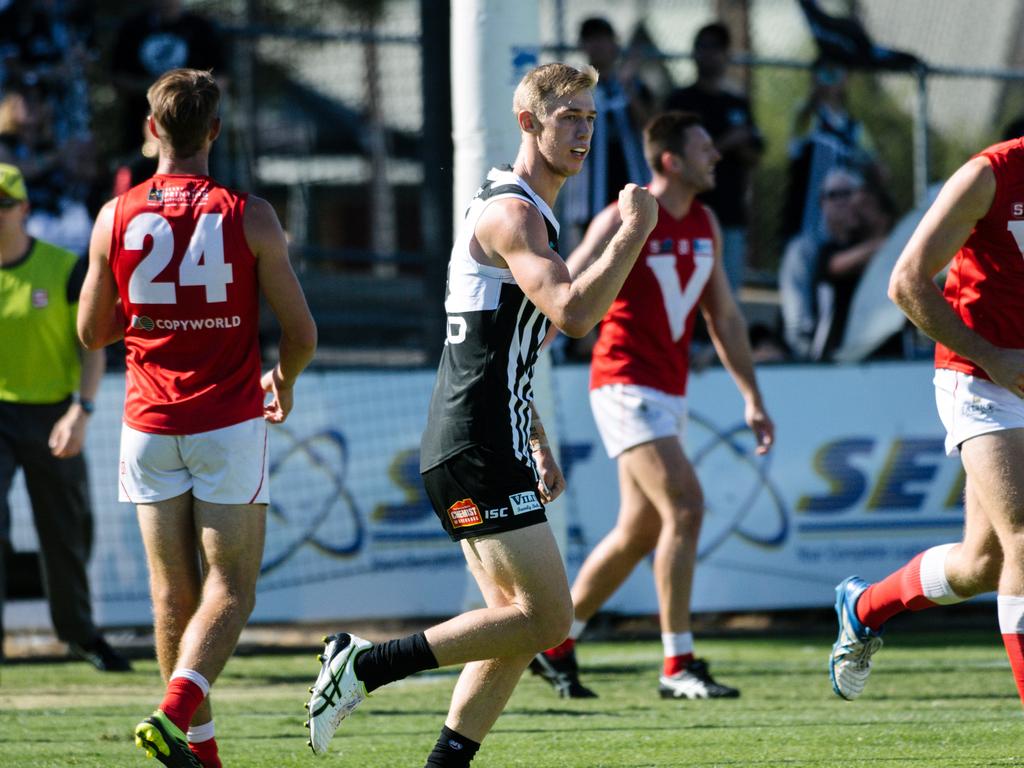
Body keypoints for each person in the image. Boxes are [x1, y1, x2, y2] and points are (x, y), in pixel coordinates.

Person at [304, 62, 658, 765]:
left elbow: (501, 347)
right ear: (529, 123)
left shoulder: (528, 212)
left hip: (486, 436)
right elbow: (575, 314)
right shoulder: (515, 213)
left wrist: (536, 436)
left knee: (513, 628)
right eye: (568, 118)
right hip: (473, 442)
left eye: (590, 117)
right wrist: (632, 233)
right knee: (548, 619)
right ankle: (362, 666)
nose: (584, 131)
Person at [77, 68, 316, 768]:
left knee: (170, 591)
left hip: (148, 425)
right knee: (232, 589)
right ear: (214, 131)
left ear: (152, 130)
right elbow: (301, 334)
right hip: (227, 422)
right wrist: (286, 380)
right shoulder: (250, 214)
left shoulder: (113, 216)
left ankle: (200, 752)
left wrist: (151, 312)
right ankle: (176, 713)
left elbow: (92, 333)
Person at [530, 111, 774, 700]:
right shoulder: (625, 216)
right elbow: (566, 286)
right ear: (670, 160)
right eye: (704, 147)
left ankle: (555, 645)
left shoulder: (707, 222)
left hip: (667, 391)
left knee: (638, 531)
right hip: (622, 383)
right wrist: (520, 365)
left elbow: (725, 317)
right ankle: (677, 664)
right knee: (686, 507)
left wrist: (751, 396)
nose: (715, 156)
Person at [829, 136, 1024, 706]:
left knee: (982, 563)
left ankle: (864, 608)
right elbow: (905, 282)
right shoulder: (988, 175)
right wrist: (989, 354)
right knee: (1023, 541)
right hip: (979, 377)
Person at [0, 161, 130, 672]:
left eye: (4, 205)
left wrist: (82, 408)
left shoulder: (63, 266)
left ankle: (79, 635)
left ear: (25, 209)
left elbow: (94, 344)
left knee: (67, 529)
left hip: (56, 412)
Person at [665, 22, 764, 292]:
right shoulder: (680, 100)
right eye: (703, 47)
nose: (708, 54)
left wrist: (739, 147)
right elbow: (669, 155)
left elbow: (755, 156)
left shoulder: (737, 103)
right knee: (682, 289)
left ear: (727, 54)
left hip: (729, 213)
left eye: (715, 47)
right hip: (685, 211)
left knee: (726, 293)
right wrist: (723, 144)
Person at [562, 17, 654, 247]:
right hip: (588, 201)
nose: (599, 46)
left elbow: (649, 128)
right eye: (591, 39)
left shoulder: (635, 86)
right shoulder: (574, 90)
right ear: (583, 46)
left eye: (604, 38)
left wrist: (627, 86)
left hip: (630, 190)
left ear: (615, 44)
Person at [110, 0, 228, 159]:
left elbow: (220, 78)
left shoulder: (201, 29)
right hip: (137, 133)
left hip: (193, 132)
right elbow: (117, 77)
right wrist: (158, 91)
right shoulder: (133, 28)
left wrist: (189, 97)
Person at [780, 59, 878, 246]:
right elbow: (795, 147)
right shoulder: (807, 115)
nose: (830, 78)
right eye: (826, 72)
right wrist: (814, 96)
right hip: (806, 214)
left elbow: (874, 163)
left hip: (840, 219)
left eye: (837, 72)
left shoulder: (854, 128)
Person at [778, 166, 861, 360]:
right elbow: (797, 320)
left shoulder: (860, 242)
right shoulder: (803, 249)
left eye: (848, 193)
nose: (842, 201)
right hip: (811, 354)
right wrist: (806, 354)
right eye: (833, 195)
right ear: (822, 202)